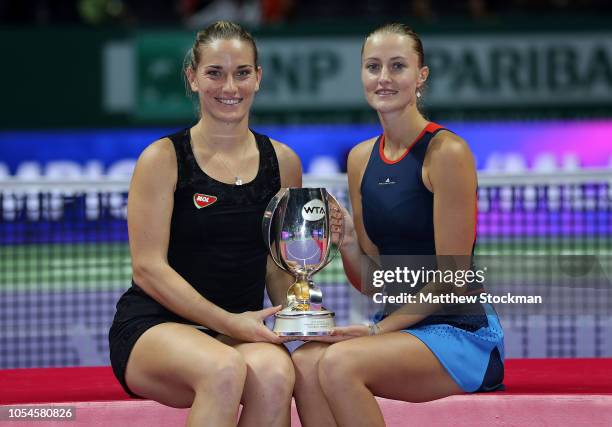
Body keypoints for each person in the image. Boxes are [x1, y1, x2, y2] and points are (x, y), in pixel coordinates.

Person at [291, 23, 504, 427]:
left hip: (460, 333)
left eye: (397, 66)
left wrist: (378, 333)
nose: (384, 78)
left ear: (420, 76)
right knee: (304, 362)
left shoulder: (447, 152)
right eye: (373, 66)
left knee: (338, 364)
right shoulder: (359, 159)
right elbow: (374, 282)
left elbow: (454, 279)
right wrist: (350, 243)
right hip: (394, 330)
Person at [108, 21, 301, 427]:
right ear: (193, 78)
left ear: (258, 78)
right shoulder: (162, 158)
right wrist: (230, 323)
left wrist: (301, 310)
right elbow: (147, 268)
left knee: (276, 373)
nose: (229, 86)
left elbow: (275, 267)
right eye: (215, 72)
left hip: (237, 329)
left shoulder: (283, 162)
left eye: (242, 73)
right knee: (223, 369)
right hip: (156, 327)